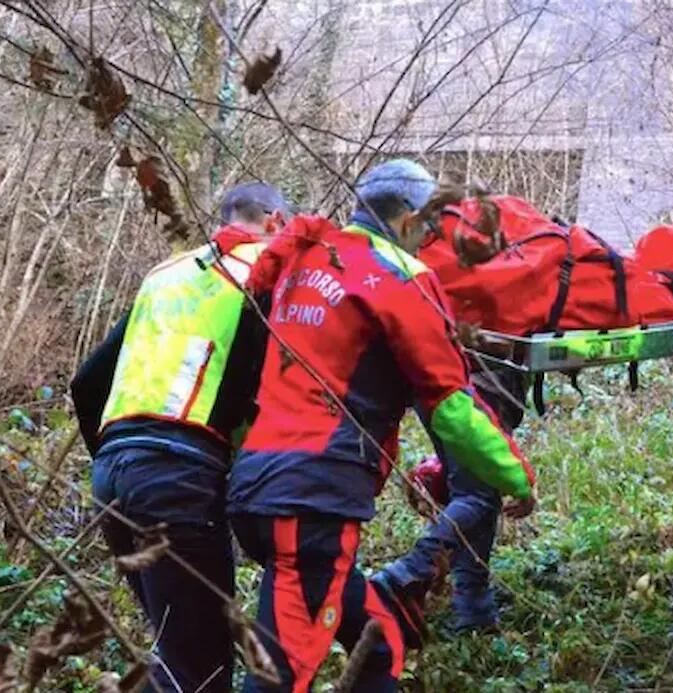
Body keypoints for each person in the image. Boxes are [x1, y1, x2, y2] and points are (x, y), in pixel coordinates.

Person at [226, 159, 537, 692]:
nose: (434, 238)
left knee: (379, 640)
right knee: (281, 676)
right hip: (315, 501)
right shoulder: (400, 278)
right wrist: (516, 477)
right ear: (409, 219)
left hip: (256, 486)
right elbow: (452, 407)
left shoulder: (303, 259)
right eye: (433, 226)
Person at [71, 182, 289, 692]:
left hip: (112, 475)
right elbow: (268, 388)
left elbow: (87, 382)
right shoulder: (268, 273)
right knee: (199, 672)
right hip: (179, 477)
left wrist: (116, 457)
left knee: (180, 656)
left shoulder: (166, 274)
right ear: (277, 222)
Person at [375, 366, 528, 634]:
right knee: (477, 495)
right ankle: (406, 574)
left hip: (434, 383)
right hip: (473, 383)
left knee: (478, 493)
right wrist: (524, 484)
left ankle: (474, 610)